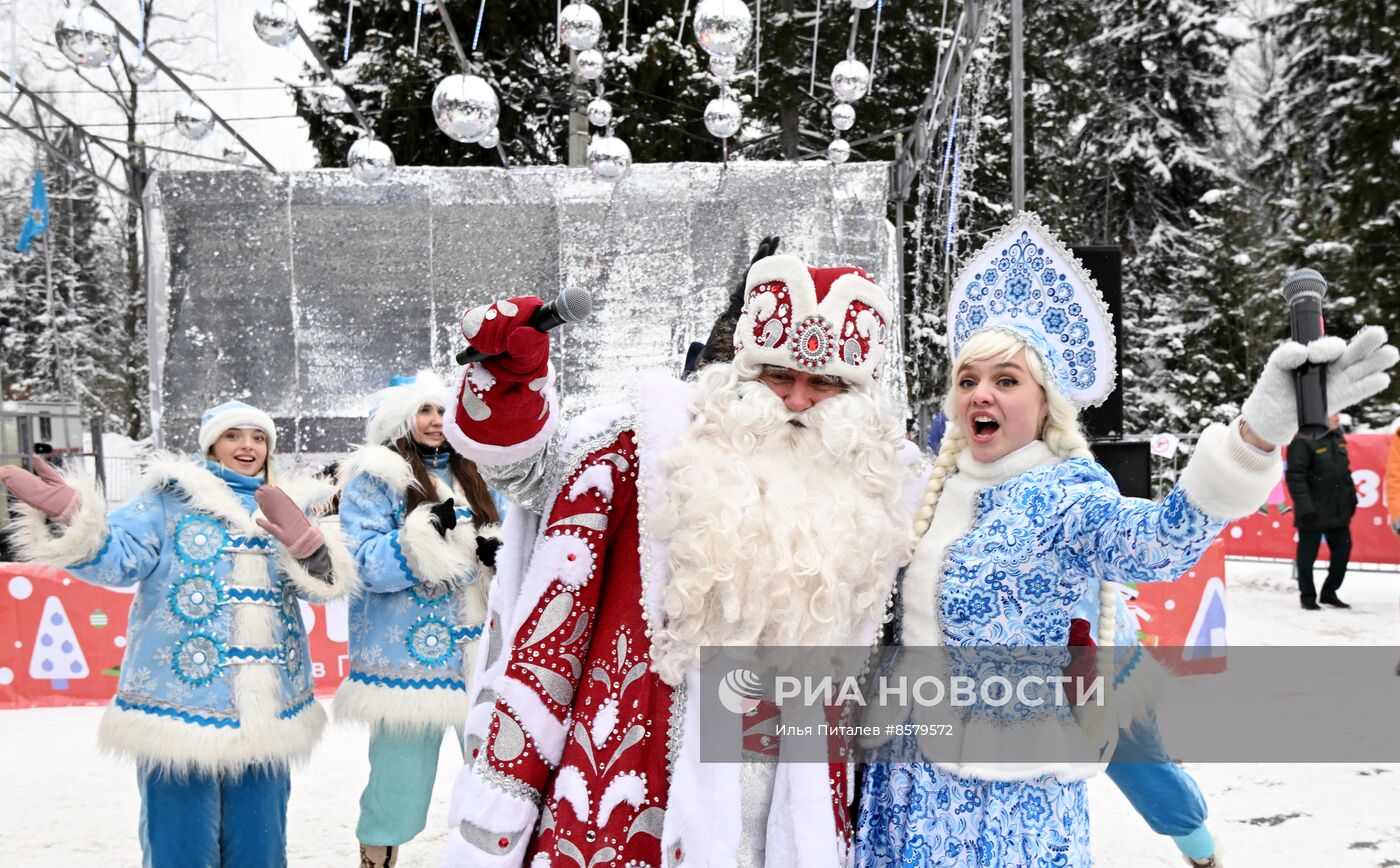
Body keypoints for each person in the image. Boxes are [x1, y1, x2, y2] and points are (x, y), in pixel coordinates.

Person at [854, 213, 1396, 868]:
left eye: (1006, 380)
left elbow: (1161, 542)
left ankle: (1197, 842)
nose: (980, 395)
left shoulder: (1068, 495)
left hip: (1004, 795)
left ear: (1046, 401)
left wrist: (1255, 435)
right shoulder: (933, 490)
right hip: (904, 777)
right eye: (968, 380)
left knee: (1141, 758)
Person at [440, 251, 919, 866]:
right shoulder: (651, 447)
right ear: (744, 371)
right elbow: (530, 477)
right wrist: (511, 382)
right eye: (778, 375)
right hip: (642, 793)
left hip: (791, 811)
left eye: (824, 382)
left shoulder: (885, 493)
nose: (798, 400)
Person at [0, 400, 359, 868]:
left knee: (261, 849)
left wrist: (313, 551)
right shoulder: (169, 498)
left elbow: (321, 590)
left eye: (258, 437)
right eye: (233, 436)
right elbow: (119, 558)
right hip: (179, 709)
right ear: (211, 444)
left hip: (269, 711)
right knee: (179, 849)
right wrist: (71, 519)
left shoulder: (292, 503)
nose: (247, 446)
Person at [927, 412, 1224, 866]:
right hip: (999, 695)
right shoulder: (948, 505)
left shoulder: (1060, 488)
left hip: (1093, 670)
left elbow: (1145, 541)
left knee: (1142, 768)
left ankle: (1200, 848)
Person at [334, 372, 504, 868]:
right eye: (424, 411)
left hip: (481, 656)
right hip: (405, 663)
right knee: (397, 785)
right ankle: (376, 860)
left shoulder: (480, 471)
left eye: (443, 410)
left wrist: (497, 553)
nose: (435, 421)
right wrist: (419, 536)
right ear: (400, 419)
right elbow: (362, 563)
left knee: (496, 780)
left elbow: (510, 537)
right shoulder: (375, 477)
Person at [1285, 413, 1358, 609]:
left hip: (1338, 510)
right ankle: (1308, 596)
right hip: (1312, 511)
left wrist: (1352, 498)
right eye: (1333, 414)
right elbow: (1296, 477)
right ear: (1320, 417)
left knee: (1343, 552)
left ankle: (1329, 593)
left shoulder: (1338, 438)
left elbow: (1345, 473)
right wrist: (1306, 508)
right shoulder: (1303, 441)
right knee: (1307, 556)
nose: (1337, 418)